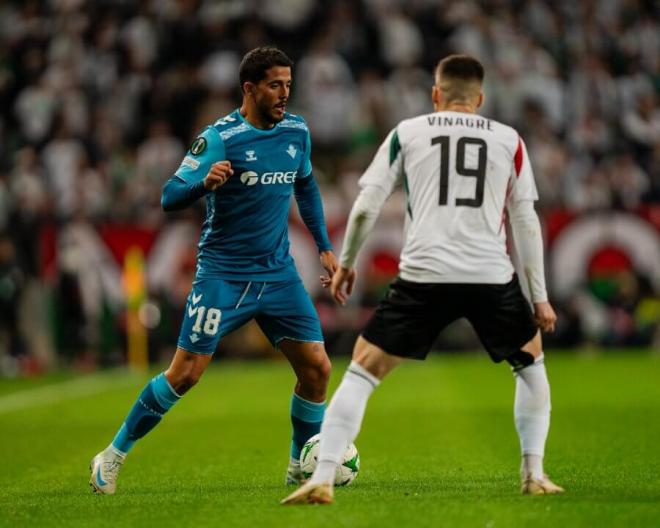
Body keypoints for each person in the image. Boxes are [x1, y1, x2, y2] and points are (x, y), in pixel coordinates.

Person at [282, 54, 564, 505]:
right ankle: (534, 472)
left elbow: (368, 203)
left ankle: (323, 477)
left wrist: (349, 261)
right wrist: (540, 297)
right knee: (531, 366)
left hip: (424, 274)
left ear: (435, 94)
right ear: (481, 98)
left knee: (361, 371)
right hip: (490, 273)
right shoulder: (509, 140)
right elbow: (525, 218)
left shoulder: (408, 132)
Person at [90, 46, 338, 495]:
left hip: (278, 274)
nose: (285, 93)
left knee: (317, 368)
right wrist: (203, 183)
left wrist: (324, 248)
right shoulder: (220, 137)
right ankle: (113, 454)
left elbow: (306, 186)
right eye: (275, 85)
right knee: (184, 374)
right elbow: (169, 195)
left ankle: (299, 467)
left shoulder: (296, 132)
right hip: (223, 275)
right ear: (249, 88)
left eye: (288, 84)